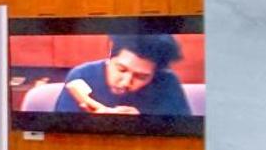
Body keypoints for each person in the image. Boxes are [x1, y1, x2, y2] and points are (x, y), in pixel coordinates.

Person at [56, 34, 192, 116]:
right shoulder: (82, 75)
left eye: (141, 77)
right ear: (110, 55)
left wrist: (141, 124)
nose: (126, 82)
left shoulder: (167, 83)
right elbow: (59, 131)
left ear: (156, 73)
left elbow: (182, 134)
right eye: (121, 69)